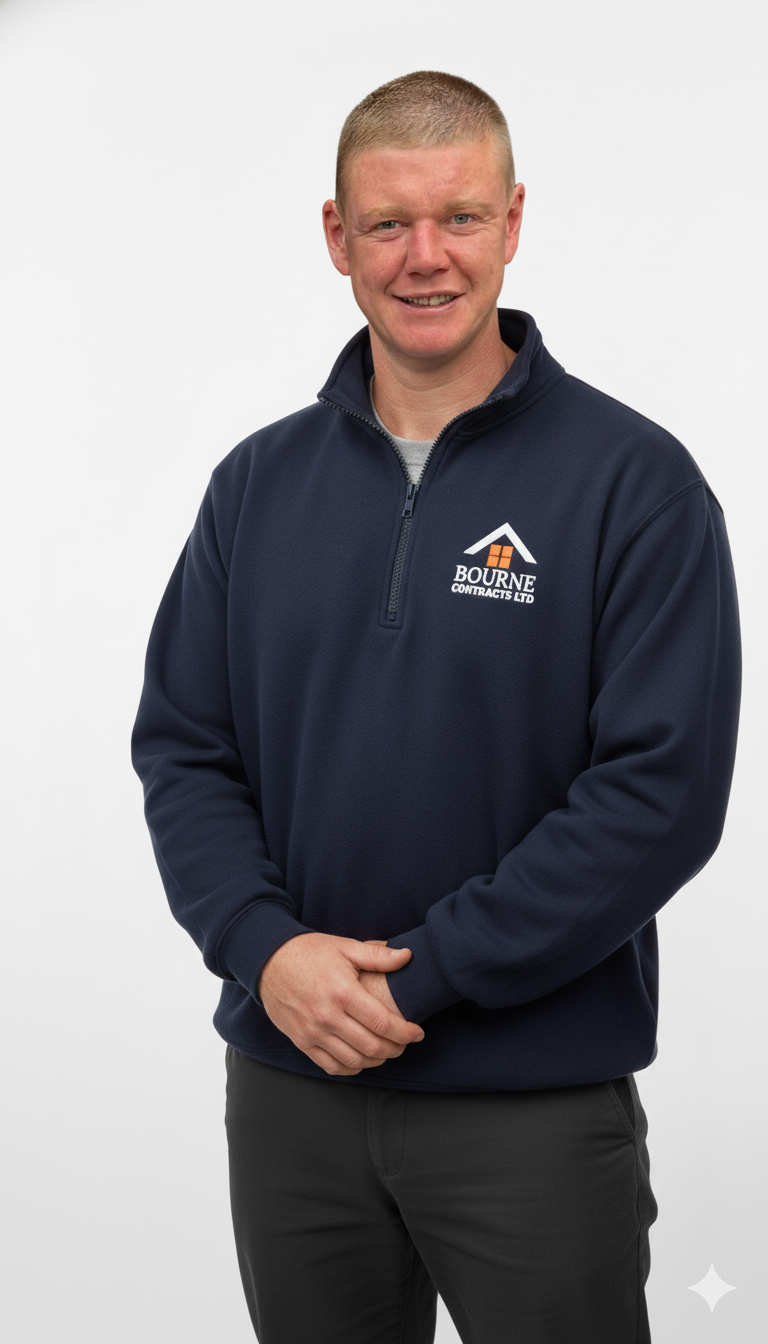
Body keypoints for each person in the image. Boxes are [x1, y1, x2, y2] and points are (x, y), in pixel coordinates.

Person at [131, 70, 741, 1344]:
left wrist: (426, 979)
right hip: (292, 1090)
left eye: (459, 217)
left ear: (513, 222)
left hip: (532, 1108)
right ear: (336, 236)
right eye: (388, 223)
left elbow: (658, 797)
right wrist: (265, 948)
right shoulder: (254, 487)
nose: (425, 257)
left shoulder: (637, 486)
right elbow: (186, 748)